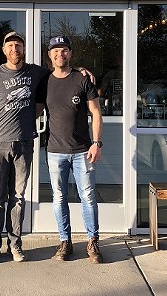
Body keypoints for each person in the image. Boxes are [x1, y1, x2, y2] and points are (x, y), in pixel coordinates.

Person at [0, 31, 49, 264]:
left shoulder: (36, 72)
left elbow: (61, 72)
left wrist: (82, 71)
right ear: (4, 50)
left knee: (18, 197)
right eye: (10, 46)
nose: (14, 49)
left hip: (24, 143)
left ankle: (15, 244)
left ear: (24, 49)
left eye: (18, 45)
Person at [43, 36, 105, 264]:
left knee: (87, 196)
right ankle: (65, 241)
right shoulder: (44, 81)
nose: (60, 54)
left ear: (70, 53)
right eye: (56, 51)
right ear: (49, 55)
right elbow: (36, 110)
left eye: (64, 50)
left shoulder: (82, 79)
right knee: (59, 197)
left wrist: (96, 143)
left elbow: (96, 112)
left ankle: (92, 241)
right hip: (55, 151)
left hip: (82, 151)